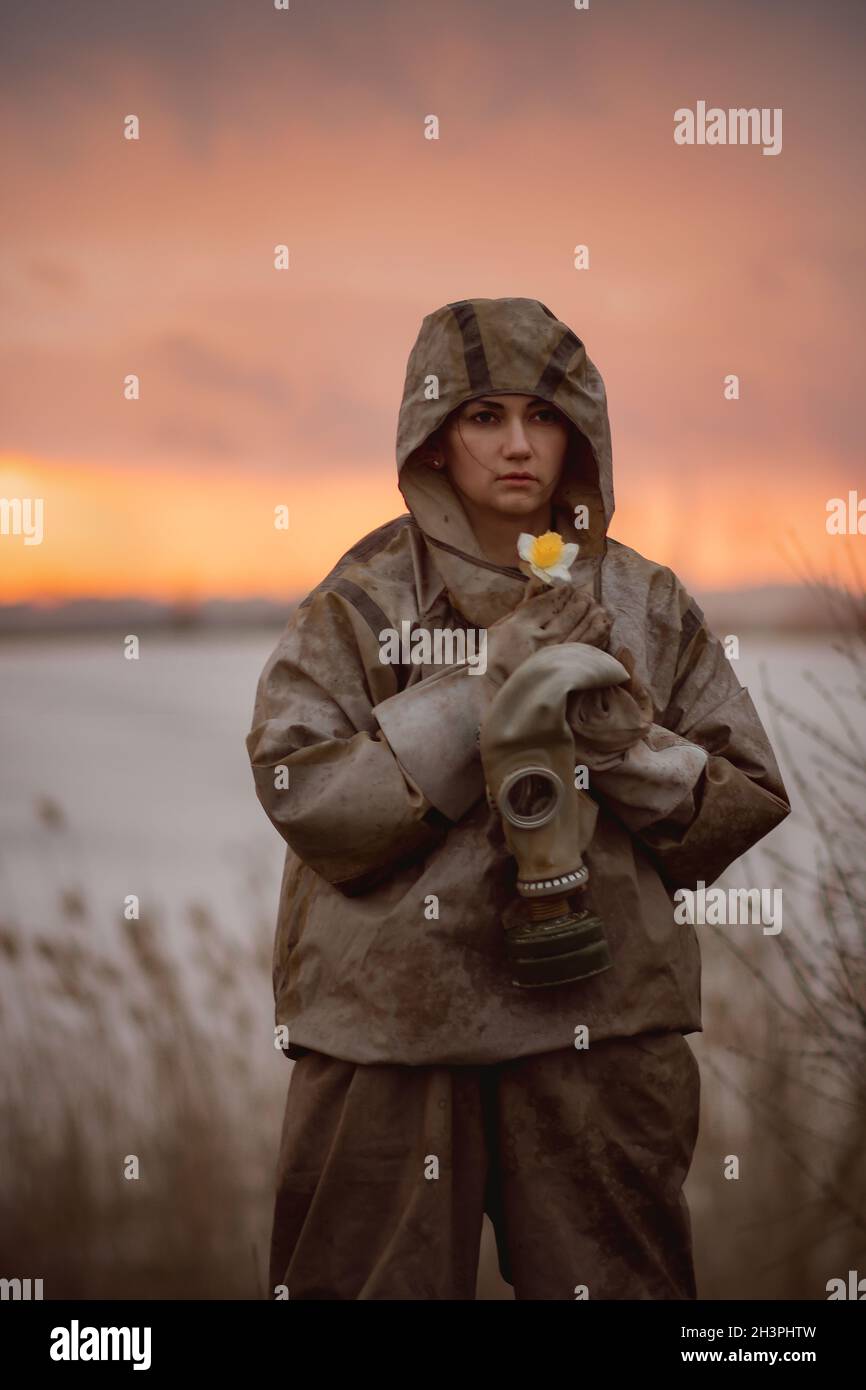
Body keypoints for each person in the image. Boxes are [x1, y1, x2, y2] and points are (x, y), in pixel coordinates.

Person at [245, 296, 791, 1300]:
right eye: (481, 417)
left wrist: (612, 736)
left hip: (601, 1028)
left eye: (541, 417)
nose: (516, 446)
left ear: (578, 434)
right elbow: (302, 791)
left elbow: (738, 804)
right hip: (388, 1039)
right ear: (433, 440)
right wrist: (479, 697)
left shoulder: (642, 602)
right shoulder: (360, 600)